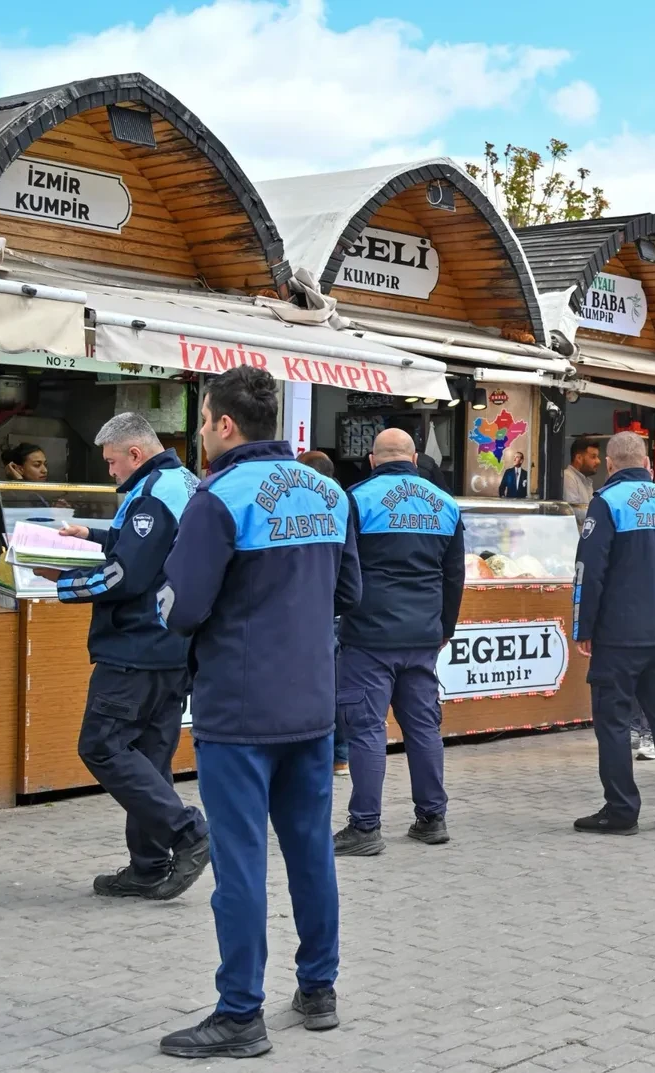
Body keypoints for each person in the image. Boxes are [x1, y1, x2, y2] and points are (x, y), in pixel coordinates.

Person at [156, 366, 361, 1059]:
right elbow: (350, 591)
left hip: (238, 710)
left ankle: (240, 1012)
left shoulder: (218, 499)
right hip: (311, 702)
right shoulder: (329, 492)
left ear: (222, 425)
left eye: (203, 418)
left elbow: (182, 609)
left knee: (241, 864)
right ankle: (319, 988)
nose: (201, 432)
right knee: (311, 853)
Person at [34, 413, 207, 899]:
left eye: (111, 462)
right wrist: (90, 537)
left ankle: (188, 832)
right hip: (173, 646)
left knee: (102, 746)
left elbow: (127, 575)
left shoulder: (153, 493)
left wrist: (59, 582)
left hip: (137, 647)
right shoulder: (181, 482)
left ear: (135, 453)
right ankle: (149, 867)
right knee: (149, 759)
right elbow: (149, 547)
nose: (109, 472)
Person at [332, 428, 465, 857]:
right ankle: (432, 817)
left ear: (372, 459)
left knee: (368, 729)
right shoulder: (445, 504)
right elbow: (453, 576)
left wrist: (342, 613)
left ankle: (365, 827)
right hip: (423, 635)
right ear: (414, 459)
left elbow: (343, 568)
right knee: (423, 726)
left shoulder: (356, 499)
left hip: (369, 635)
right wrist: (444, 627)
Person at [572, 431, 655, 834]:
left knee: (612, 721)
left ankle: (621, 811)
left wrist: (583, 627)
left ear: (610, 464)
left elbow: (589, 572)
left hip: (618, 635)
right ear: (647, 463)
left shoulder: (606, 503)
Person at [299, 450, 350, 777]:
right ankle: (339, 756)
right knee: (334, 685)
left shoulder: (304, 501)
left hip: (310, 605)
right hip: (334, 606)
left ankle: (317, 754)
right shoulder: (343, 503)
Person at [563, 437, 601, 526]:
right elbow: (575, 513)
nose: (598, 461)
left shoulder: (586, 480)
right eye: (593, 457)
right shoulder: (568, 477)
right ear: (579, 458)